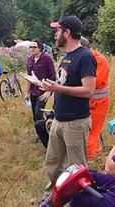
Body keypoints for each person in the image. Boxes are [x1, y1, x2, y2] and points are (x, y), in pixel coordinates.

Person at [42, 16, 97, 190]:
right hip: (60, 119)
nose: (55, 35)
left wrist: (58, 89)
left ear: (67, 33)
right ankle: (56, 195)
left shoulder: (85, 57)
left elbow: (88, 91)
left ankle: (80, 199)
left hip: (76, 122)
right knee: (52, 163)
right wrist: (50, 88)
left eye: (58, 30)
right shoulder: (67, 57)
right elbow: (63, 83)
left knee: (77, 168)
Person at [80, 37, 110, 160]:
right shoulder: (90, 59)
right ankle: (96, 153)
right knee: (91, 132)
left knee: (91, 133)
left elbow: (93, 83)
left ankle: (91, 159)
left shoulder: (100, 61)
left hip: (98, 103)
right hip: (90, 102)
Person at [25, 38, 56, 123]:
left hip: (43, 90)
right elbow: (29, 77)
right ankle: (39, 133)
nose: (32, 49)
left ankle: (45, 131)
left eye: (34, 47)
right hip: (33, 91)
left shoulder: (47, 59)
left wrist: (49, 92)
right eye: (30, 47)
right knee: (35, 115)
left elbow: (53, 76)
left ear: (40, 48)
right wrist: (27, 93)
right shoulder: (29, 60)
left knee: (38, 113)